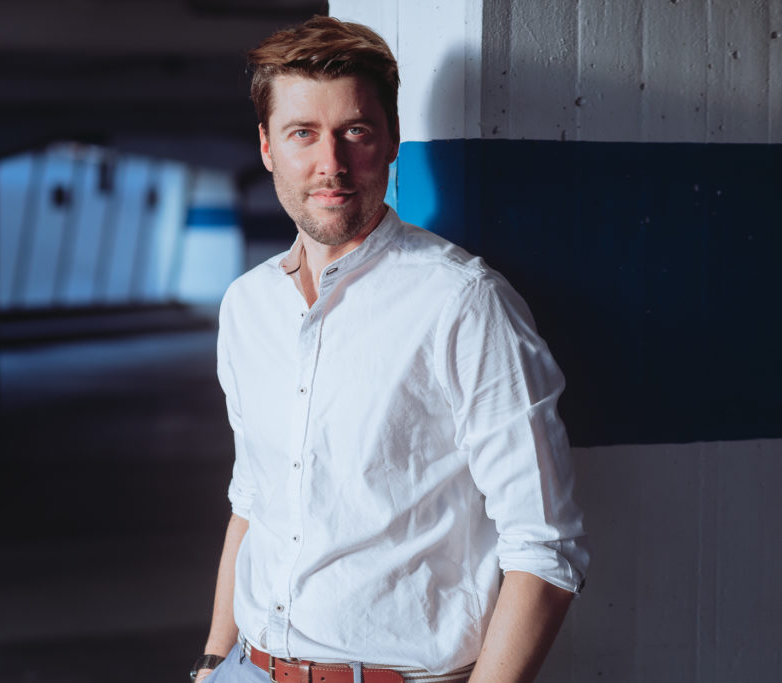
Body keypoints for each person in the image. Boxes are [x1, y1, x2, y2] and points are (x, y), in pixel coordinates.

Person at [191, 15, 588, 683]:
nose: (332, 164)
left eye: (356, 132)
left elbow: (546, 548)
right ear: (266, 146)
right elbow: (253, 500)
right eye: (302, 134)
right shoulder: (247, 307)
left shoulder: (463, 304)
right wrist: (212, 658)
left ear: (392, 140)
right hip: (246, 669)